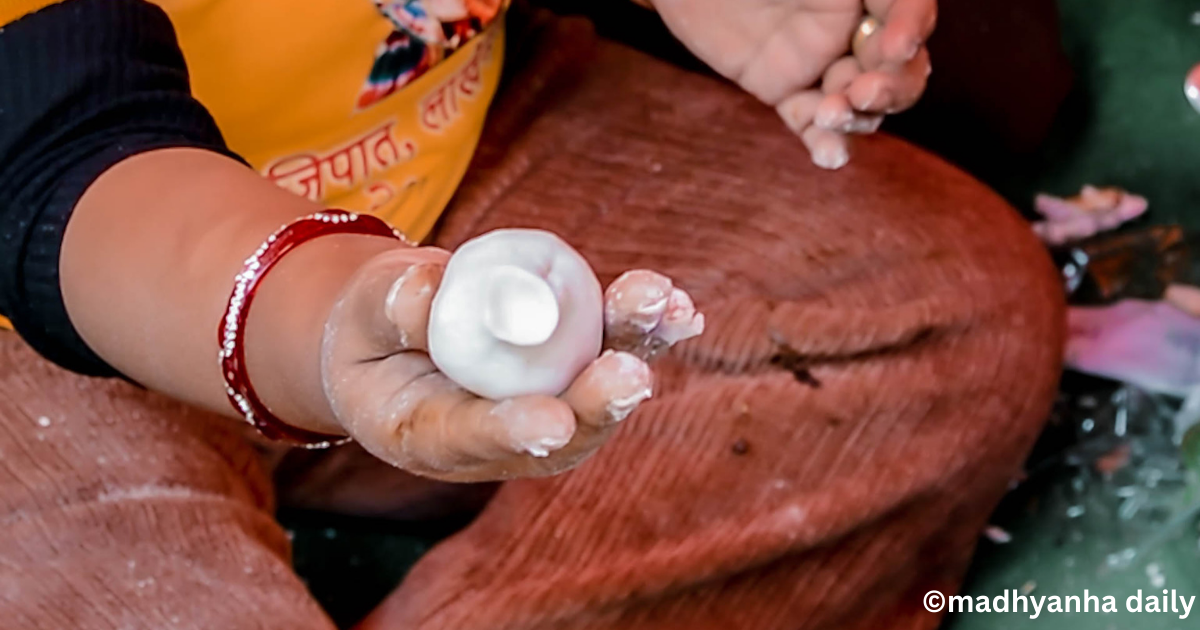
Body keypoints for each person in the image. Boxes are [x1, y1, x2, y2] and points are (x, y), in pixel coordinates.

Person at [0, 0, 1064, 628]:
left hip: (451, 149)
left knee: (939, 315)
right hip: (64, 294)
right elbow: (53, 152)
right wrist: (326, 317)